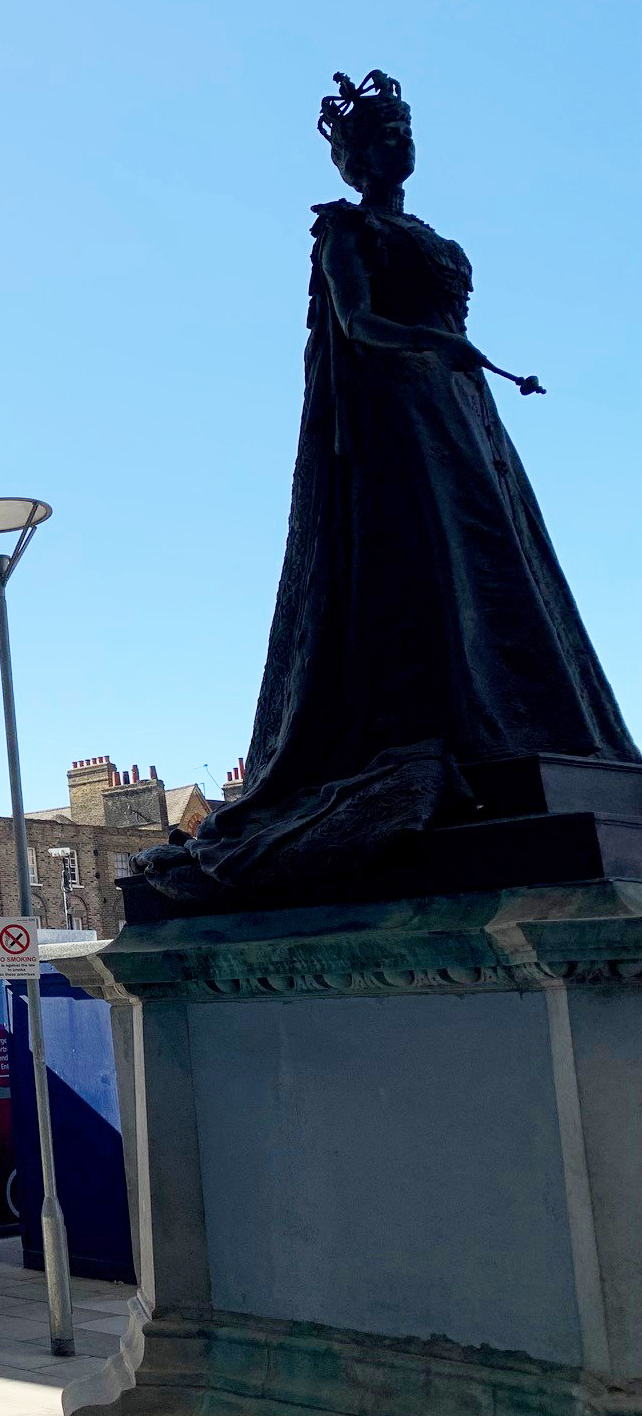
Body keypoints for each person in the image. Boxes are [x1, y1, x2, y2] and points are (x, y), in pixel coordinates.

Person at [139, 71, 637, 901]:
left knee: (500, 554)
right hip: (399, 409)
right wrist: (432, 345)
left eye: (405, 131)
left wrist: (451, 356)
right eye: (382, 135)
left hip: (462, 408)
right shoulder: (344, 230)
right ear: (354, 156)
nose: (398, 144)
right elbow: (358, 321)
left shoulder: (433, 237)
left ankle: (531, 721)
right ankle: (458, 719)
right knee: (434, 549)